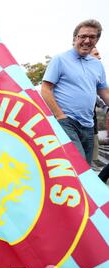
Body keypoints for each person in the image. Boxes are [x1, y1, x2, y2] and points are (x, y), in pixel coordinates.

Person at [41, 19, 109, 166]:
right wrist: (60, 116)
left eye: (92, 37)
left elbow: (104, 93)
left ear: (96, 40)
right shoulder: (60, 59)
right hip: (67, 122)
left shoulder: (97, 65)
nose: (87, 40)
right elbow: (45, 89)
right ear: (75, 38)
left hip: (89, 125)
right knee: (78, 167)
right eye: (82, 36)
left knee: (86, 168)